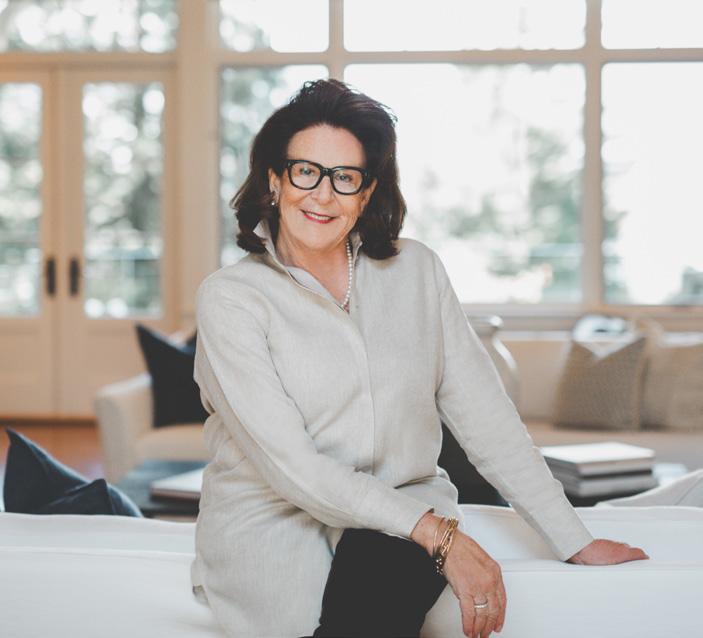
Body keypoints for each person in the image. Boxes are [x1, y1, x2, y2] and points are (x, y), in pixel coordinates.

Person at [190, 78, 648, 638]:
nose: (323, 195)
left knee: (389, 567)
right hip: (278, 524)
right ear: (274, 180)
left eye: (345, 177)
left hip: (398, 530)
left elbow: (487, 418)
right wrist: (436, 534)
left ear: (366, 193)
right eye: (305, 171)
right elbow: (295, 468)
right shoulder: (231, 299)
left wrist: (573, 539)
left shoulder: (417, 271)